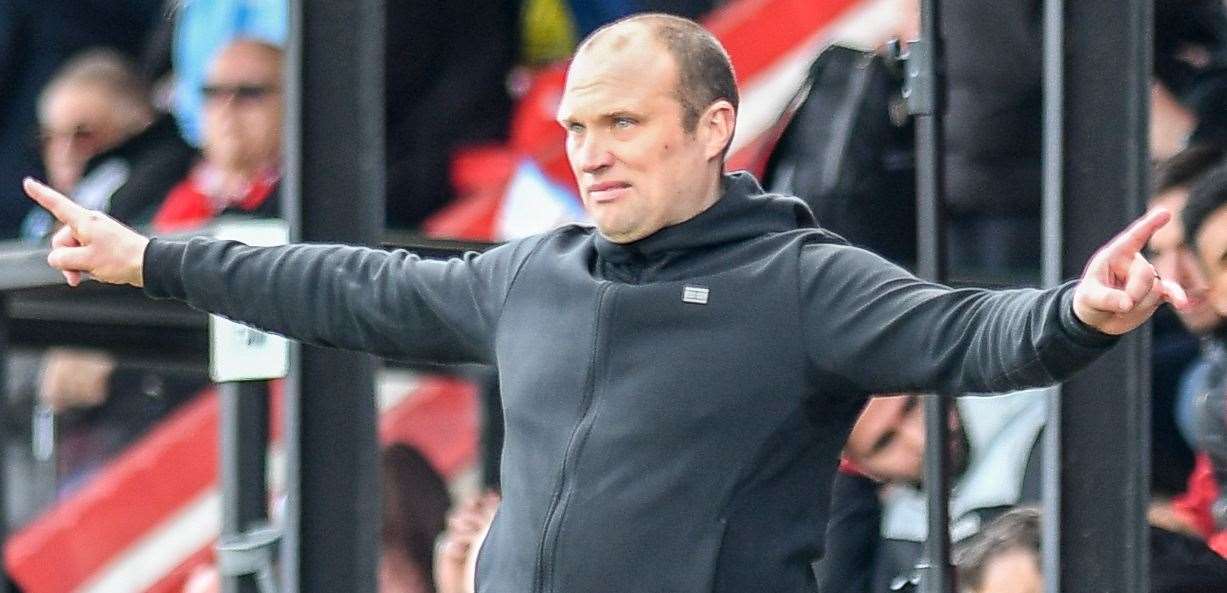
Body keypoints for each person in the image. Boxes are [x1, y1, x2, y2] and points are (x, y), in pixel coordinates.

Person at [21, 13, 1186, 593]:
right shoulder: (534, 271)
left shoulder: (801, 278)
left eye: (622, 123)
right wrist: (152, 258)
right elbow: (345, 283)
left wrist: (1083, 306)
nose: (589, 151)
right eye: (576, 125)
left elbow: (970, 334)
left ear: (713, 129)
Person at [21, 48, 196, 241]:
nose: (63, 151)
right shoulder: (40, 217)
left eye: (82, 134)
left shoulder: (152, 182)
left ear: (134, 129)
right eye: (49, 138)